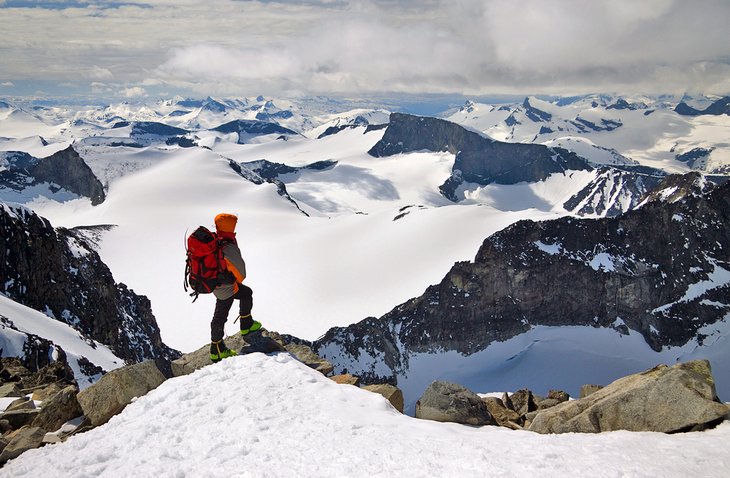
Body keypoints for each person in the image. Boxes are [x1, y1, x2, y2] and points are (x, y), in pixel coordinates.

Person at [209, 213, 262, 362]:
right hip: (226, 287)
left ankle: (246, 324)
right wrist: (234, 282)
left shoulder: (215, 240)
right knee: (220, 316)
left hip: (217, 283)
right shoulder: (227, 245)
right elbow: (241, 272)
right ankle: (217, 349)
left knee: (246, 293)